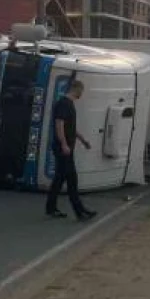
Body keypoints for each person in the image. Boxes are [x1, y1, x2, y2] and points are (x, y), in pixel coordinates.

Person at [45, 79, 97, 221]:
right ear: (76, 89)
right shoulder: (64, 104)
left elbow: (71, 128)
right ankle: (80, 211)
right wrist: (64, 144)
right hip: (64, 148)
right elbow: (59, 124)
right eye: (81, 91)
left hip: (66, 147)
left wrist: (82, 140)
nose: (82, 94)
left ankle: (51, 207)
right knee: (72, 179)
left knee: (59, 179)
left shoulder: (68, 104)